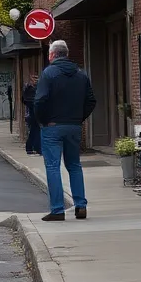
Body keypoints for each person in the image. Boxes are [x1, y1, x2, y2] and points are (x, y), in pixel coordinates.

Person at [34, 40, 96, 222]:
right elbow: (91, 100)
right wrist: (78, 118)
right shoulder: (81, 74)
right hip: (74, 126)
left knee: (53, 166)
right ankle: (80, 205)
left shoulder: (49, 73)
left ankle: (57, 209)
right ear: (66, 54)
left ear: (52, 55)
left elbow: (40, 101)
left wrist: (43, 121)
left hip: (52, 126)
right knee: (74, 165)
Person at [22, 73, 41, 154]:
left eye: (37, 78)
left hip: (33, 112)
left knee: (34, 131)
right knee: (35, 131)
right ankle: (35, 148)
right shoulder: (30, 89)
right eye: (34, 78)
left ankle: (32, 148)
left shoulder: (32, 88)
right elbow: (29, 101)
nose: (36, 80)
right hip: (32, 113)